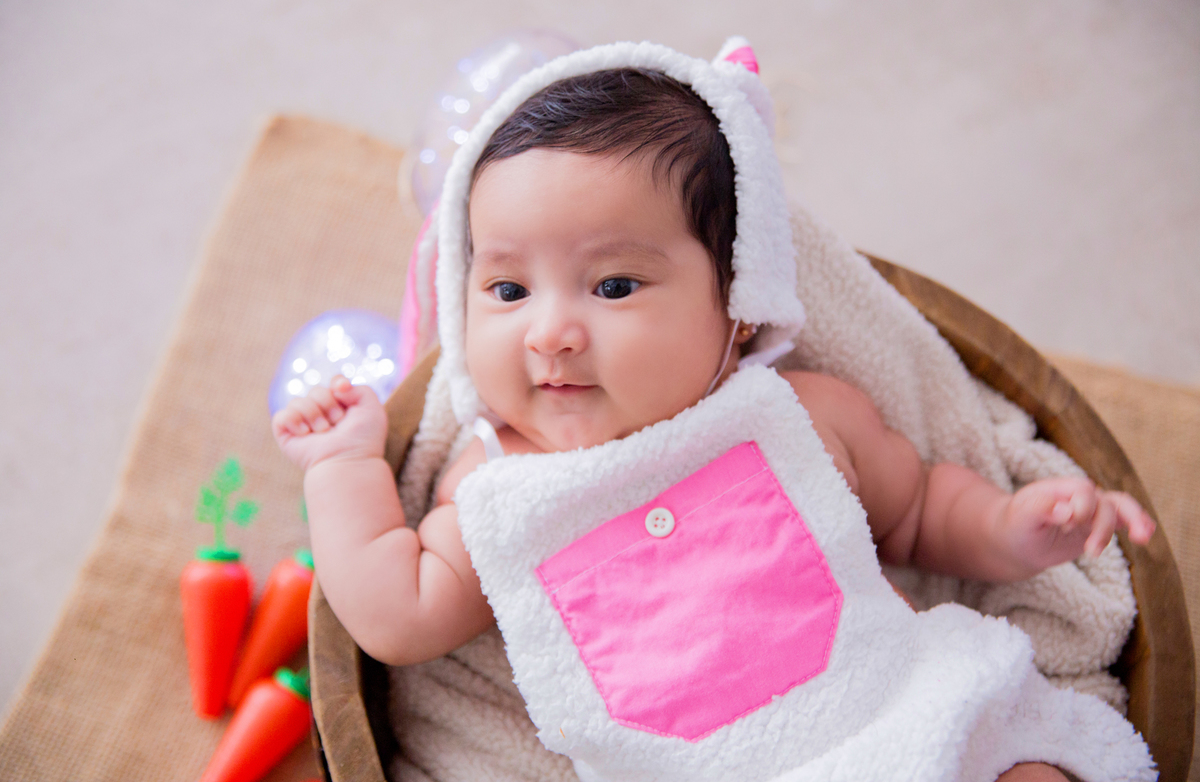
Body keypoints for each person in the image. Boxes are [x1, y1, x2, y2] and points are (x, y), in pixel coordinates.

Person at [274, 41, 1156, 782]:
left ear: (736, 302)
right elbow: (396, 616)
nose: (551, 333)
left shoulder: (796, 416)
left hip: (896, 725)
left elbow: (920, 510)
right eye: (507, 288)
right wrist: (347, 466)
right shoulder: (502, 491)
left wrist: (1011, 529)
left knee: (1033, 768)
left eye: (614, 285)